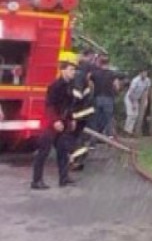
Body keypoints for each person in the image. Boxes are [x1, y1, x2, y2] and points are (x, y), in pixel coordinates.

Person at [31, 51, 79, 190]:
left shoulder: (70, 85)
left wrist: (72, 118)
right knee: (43, 152)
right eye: (71, 69)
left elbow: (69, 104)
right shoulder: (55, 86)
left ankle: (64, 178)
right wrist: (55, 121)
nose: (73, 72)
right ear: (63, 70)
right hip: (51, 124)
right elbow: (49, 105)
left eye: (74, 70)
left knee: (63, 151)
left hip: (63, 123)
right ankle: (36, 181)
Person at [88, 53, 118, 139]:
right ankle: (109, 136)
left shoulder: (95, 73)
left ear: (100, 64)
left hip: (97, 98)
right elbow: (116, 85)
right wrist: (115, 91)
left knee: (96, 118)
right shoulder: (112, 74)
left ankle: (93, 139)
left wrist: (91, 88)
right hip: (108, 98)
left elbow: (88, 78)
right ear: (108, 64)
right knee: (108, 118)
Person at [123, 67, 152, 136]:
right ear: (140, 73)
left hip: (136, 98)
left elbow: (146, 91)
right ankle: (126, 129)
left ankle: (130, 130)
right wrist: (133, 103)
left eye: (146, 73)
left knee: (135, 115)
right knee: (130, 114)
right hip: (130, 98)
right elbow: (131, 93)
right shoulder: (135, 80)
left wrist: (145, 101)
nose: (145, 74)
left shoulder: (148, 80)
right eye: (143, 73)